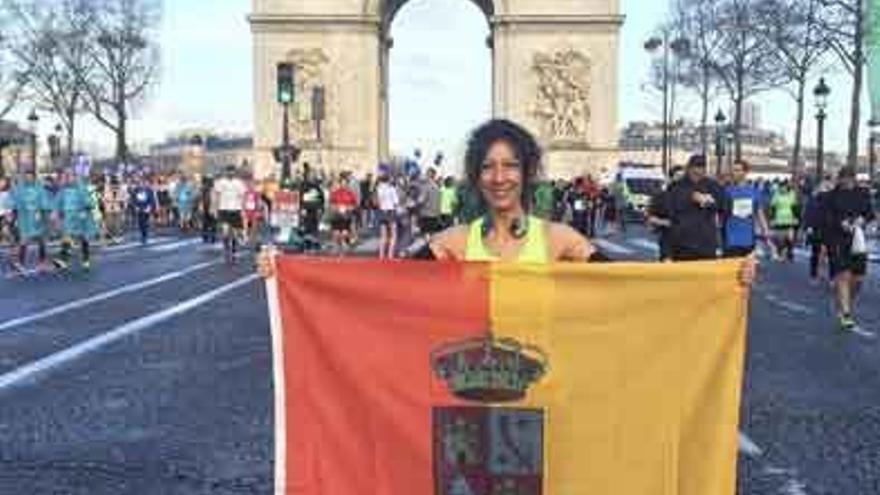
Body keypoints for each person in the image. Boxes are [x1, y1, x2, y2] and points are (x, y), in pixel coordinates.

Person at [821, 166, 875, 332]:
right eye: (843, 179)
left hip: (857, 240)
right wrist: (840, 223)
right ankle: (845, 313)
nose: (846, 182)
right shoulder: (831, 196)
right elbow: (826, 217)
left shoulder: (862, 194)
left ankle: (845, 303)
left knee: (858, 279)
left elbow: (870, 214)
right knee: (843, 274)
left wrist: (862, 221)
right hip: (838, 239)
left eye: (849, 179)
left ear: (853, 179)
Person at [666, 155, 726, 261]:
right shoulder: (676, 186)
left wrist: (708, 202)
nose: (698, 172)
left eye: (701, 169)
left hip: (706, 243)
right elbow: (670, 211)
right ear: (689, 169)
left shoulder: (712, 186)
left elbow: (723, 206)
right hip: (681, 244)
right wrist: (690, 198)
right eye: (695, 169)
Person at [721, 160, 769, 258]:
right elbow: (721, 213)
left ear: (745, 172)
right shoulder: (727, 191)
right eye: (733, 170)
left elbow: (760, 214)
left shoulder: (754, 192)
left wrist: (766, 232)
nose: (734, 173)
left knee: (747, 272)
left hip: (748, 240)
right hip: (731, 240)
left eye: (737, 170)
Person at [8, 170, 53, 272]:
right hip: (24, 218)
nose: (28, 179)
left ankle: (42, 262)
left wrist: (44, 212)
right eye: (27, 177)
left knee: (41, 240)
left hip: (37, 218)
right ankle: (20, 263)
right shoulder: (20, 188)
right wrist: (11, 213)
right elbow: (14, 200)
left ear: (34, 178)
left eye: (30, 177)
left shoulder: (39, 189)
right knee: (24, 240)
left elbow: (44, 201)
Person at [52, 171, 97, 271]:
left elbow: (90, 202)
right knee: (66, 237)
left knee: (83, 238)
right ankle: (63, 261)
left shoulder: (81, 189)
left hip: (80, 217)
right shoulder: (62, 190)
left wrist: (85, 209)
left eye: (70, 177)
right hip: (68, 218)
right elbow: (57, 202)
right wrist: (54, 213)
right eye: (66, 177)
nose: (68, 179)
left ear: (75, 178)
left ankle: (86, 260)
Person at [646, 166, 684, 262]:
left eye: (683, 177)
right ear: (670, 178)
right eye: (678, 176)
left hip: (688, 244)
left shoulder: (692, 195)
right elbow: (650, 218)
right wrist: (664, 222)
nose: (681, 179)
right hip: (668, 242)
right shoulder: (662, 196)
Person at [213, 166, 247, 263]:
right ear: (226, 172)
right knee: (225, 232)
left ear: (234, 173)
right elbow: (217, 196)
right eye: (228, 172)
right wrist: (215, 208)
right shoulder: (220, 182)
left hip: (236, 209)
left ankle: (234, 252)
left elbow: (243, 197)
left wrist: (243, 210)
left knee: (235, 233)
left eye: (232, 172)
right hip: (224, 210)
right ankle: (226, 251)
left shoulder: (239, 183)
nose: (230, 174)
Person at [768, 181, 800, 262]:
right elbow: (772, 207)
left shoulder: (792, 194)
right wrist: (772, 219)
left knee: (790, 238)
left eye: (784, 187)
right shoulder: (776, 195)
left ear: (787, 187)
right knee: (780, 239)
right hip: (779, 219)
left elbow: (795, 207)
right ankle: (781, 253)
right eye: (781, 187)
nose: (782, 189)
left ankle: (790, 252)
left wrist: (796, 218)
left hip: (789, 219)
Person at [328, 176, 358, 256]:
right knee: (336, 233)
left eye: (345, 183)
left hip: (346, 216)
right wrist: (337, 208)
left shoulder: (350, 193)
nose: (344, 185)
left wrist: (348, 208)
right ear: (340, 183)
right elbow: (331, 204)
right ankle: (337, 247)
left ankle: (343, 249)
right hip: (336, 216)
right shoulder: (335, 192)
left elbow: (354, 205)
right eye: (342, 183)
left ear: (347, 184)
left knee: (344, 233)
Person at [375, 172, 399, 259]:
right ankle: (390, 255)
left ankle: (381, 255)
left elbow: (377, 202)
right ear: (388, 179)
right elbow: (396, 202)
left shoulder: (378, 188)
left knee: (383, 235)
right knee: (393, 235)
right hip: (390, 211)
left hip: (382, 211)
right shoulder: (391, 189)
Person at [417, 167, 443, 240]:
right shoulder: (438, 188)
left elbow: (421, 200)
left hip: (426, 214)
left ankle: (427, 248)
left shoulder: (426, 187)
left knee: (425, 236)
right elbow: (439, 203)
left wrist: (415, 203)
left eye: (426, 174)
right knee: (433, 235)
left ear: (428, 175)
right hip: (435, 214)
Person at [132, 175, 156, 245]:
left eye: (143, 183)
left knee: (145, 223)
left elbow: (152, 200)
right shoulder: (135, 190)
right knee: (140, 223)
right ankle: (143, 234)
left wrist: (149, 207)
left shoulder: (149, 190)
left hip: (146, 209)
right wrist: (135, 207)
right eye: (140, 183)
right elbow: (133, 200)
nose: (141, 184)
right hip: (139, 209)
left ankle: (144, 236)